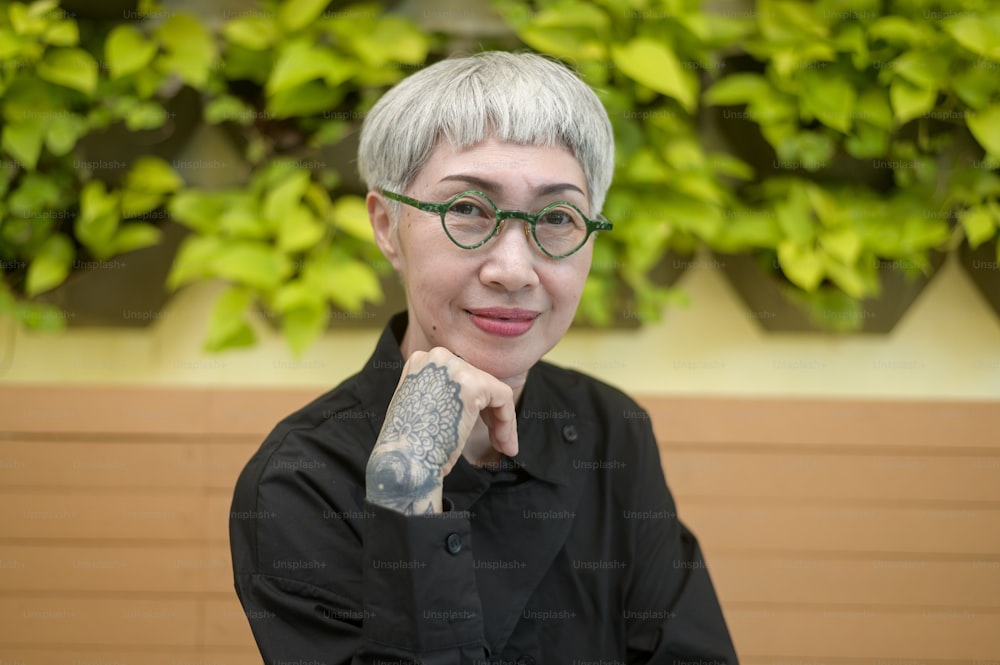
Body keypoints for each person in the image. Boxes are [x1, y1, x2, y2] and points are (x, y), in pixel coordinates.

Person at [230, 51, 739, 664]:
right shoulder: (300, 482)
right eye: (467, 210)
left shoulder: (610, 429)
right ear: (388, 226)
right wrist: (408, 486)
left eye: (556, 217)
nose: (513, 271)